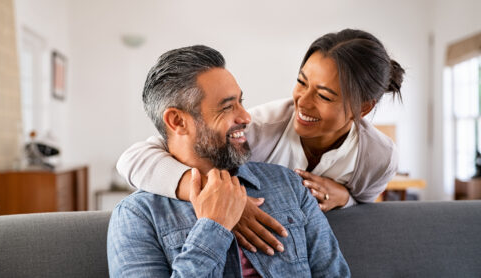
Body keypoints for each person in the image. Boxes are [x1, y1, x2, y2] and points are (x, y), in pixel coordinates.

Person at [117, 29, 404, 254]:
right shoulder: (261, 127)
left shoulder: (379, 158)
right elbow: (134, 159)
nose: (302, 102)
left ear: (362, 108)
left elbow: (364, 207)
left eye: (324, 95)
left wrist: (345, 198)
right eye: (301, 82)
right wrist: (215, 196)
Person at [107, 45, 350, 277]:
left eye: (241, 102)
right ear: (178, 121)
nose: (245, 116)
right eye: (226, 107)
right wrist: (213, 227)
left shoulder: (290, 185)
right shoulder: (136, 216)